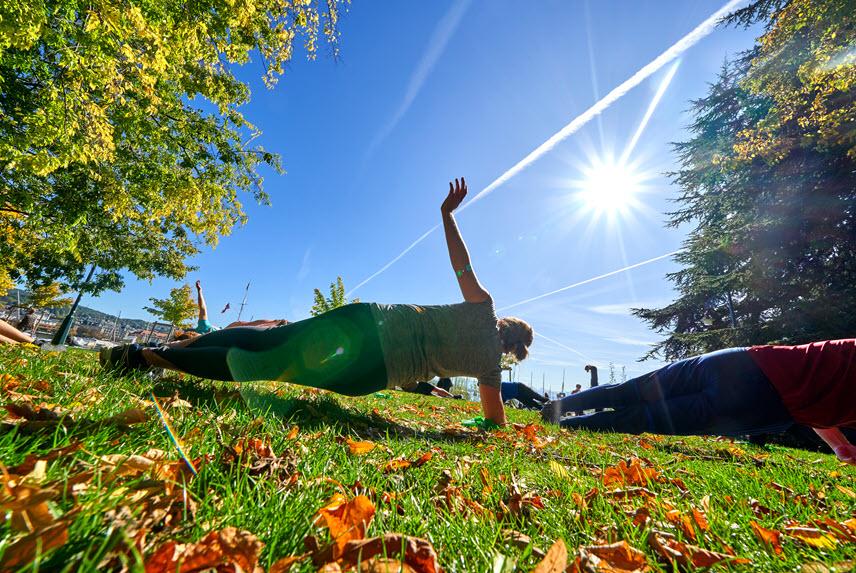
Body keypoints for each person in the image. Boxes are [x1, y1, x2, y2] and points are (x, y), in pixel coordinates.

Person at [101, 178, 534, 426]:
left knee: (266, 341)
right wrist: (482, 422)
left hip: (369, 325)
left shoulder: (484, 308)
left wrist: (447, 215)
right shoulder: (490, 371)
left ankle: (146, 355)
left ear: (507, 322)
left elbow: (462, 265)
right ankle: (156, 357)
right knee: (270, 364)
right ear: (514, 351)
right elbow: (494, 425)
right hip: (370, 374)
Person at [540, 341, 856, 465]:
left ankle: (555, 413)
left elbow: (818, 390)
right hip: (756, 403)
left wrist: (840, 445)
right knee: (643, 418)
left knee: (629, 391)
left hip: (738, 360)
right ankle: (565, 423)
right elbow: (819, 400)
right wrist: (841, 445)